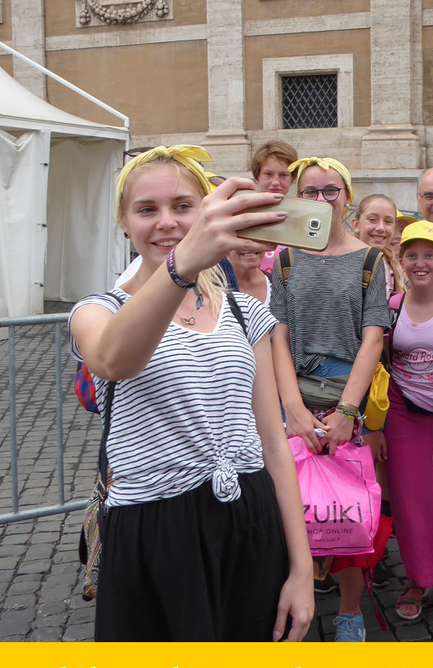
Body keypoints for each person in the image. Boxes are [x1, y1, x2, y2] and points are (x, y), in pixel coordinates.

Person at [69, 145, 314, 641]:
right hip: (155, 530)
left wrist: (302, 570)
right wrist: (181, 268)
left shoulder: (244, 311)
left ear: (205, 213)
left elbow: (273, 445)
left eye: (183, 206)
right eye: (147, 209)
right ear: (124, 223)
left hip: (250, 518)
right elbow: (116, 361)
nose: (166, 222)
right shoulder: (97, 311)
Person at [270, 156, 389, 642]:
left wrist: (346, 412)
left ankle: (350, 612)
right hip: (294, 398)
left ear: (347, 197)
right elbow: (277, 334)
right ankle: (288, 601)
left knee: (345, 506)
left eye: (331, 190)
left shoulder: (369, 260)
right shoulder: (285, 259)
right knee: (290, 507)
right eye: (311, 191)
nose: (321, 200)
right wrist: (293, 409)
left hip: (345, 399)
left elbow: (373, 339)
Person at [383, 220, 433, 620]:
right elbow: (382, 359)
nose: (420, 263)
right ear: (401, 261)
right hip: (404, 413)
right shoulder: (392, 307)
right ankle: (418, 577)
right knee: (410, 501)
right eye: (412, 255)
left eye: (429, 255)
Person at [252, 140, 299, 275]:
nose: (275, 182)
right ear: (257, 177)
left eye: (283, 175)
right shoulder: (243, 213)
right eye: (268, 174)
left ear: (292, 179)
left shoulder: (300, 217)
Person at [351, 193, 404, 296]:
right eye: (372, 220)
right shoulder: (344, 263)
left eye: (388, 221)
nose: (381, 228)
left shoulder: (395, 269)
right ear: (356, 225)